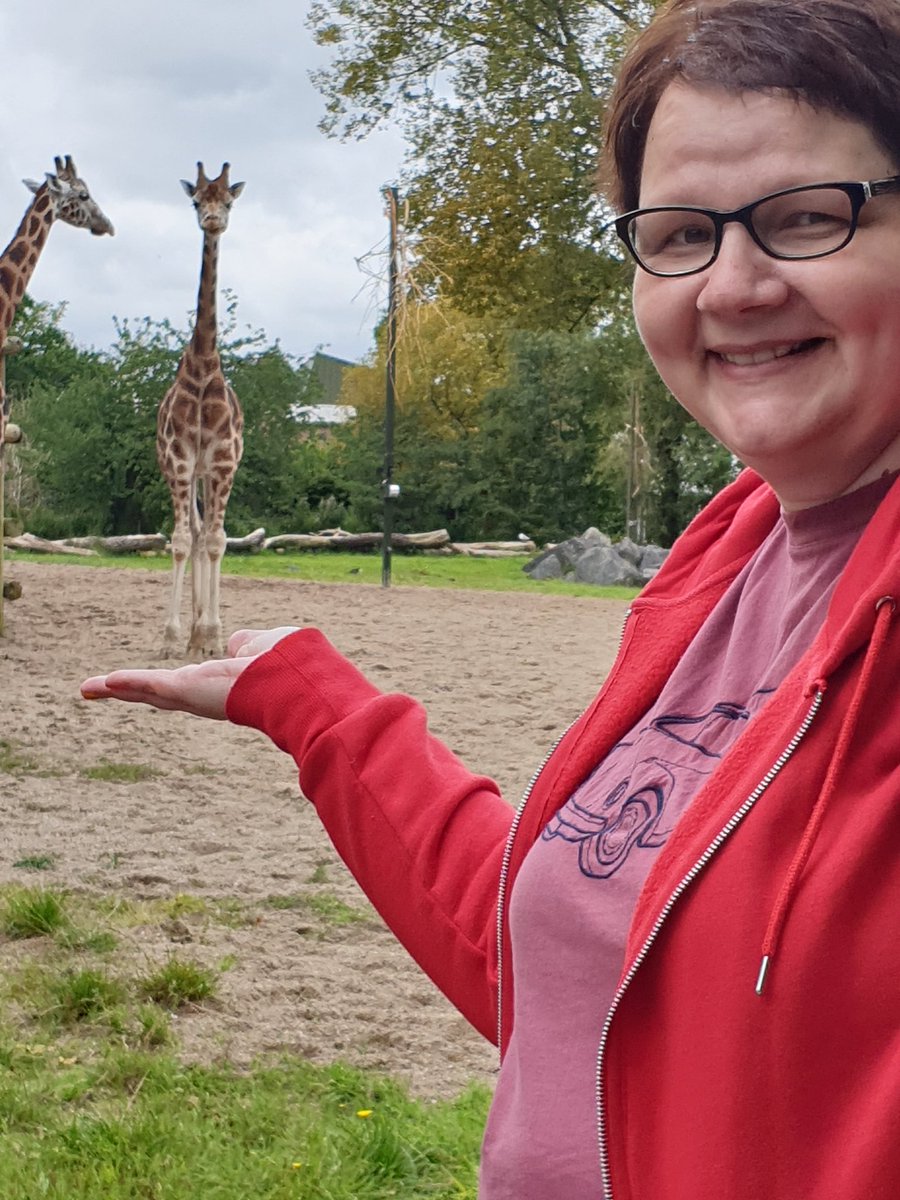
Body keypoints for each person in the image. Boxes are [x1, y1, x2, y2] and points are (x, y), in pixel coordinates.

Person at [81, 1, 900, 1195]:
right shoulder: (727, 555)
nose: (733, 283)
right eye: (676, 234)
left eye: (805, 219)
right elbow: (579, 985)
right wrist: (315, 705)